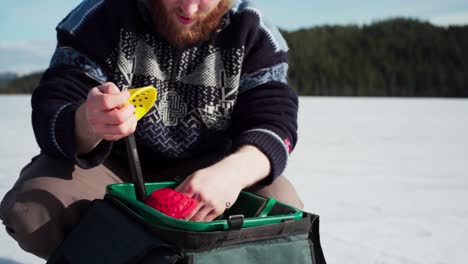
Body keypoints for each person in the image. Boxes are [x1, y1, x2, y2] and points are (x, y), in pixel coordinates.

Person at [0, 0, 302, 260]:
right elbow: (52, 111)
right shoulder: (100, 16)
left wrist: (231, 174)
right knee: (33, 210)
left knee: (280, 204)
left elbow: (275, 123)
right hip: (112, 169)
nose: (189, 8)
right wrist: (87, 122)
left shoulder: (253, 31)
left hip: (212, 169)